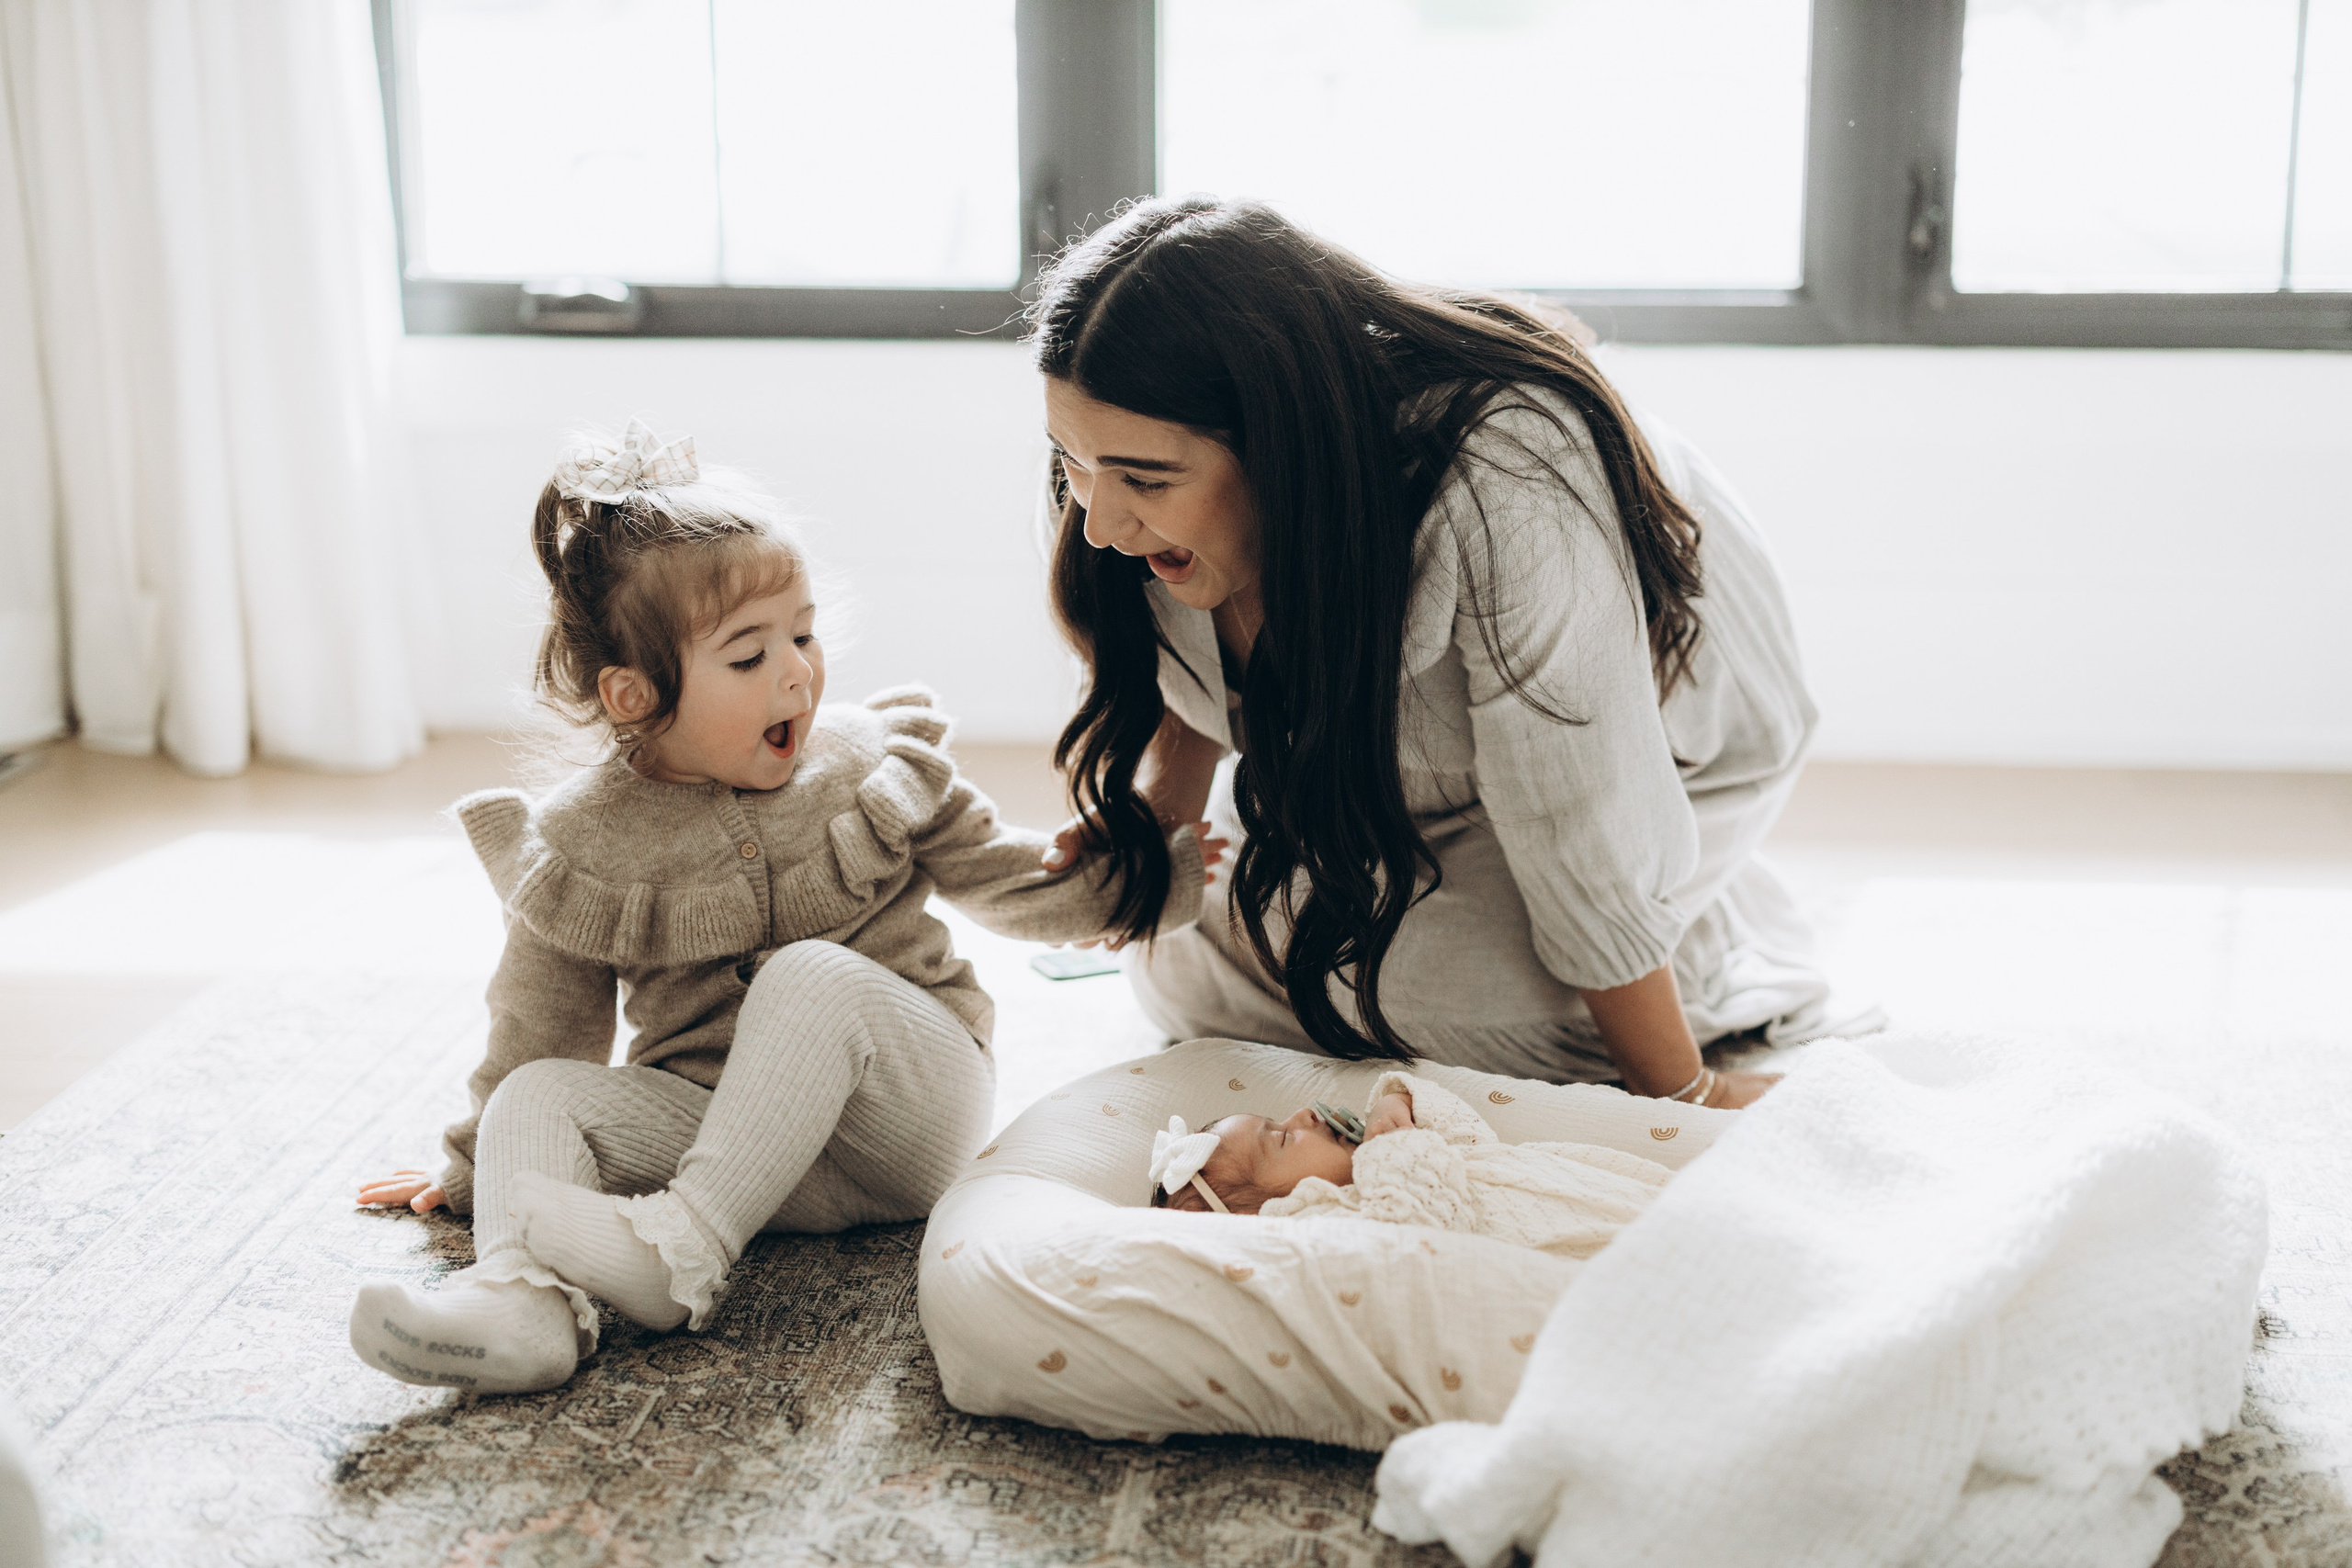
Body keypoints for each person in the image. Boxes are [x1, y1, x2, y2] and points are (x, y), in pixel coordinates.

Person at [349, 422, 1219, 1393]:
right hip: (731, 1141)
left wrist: (1154, 876)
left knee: (810, 973)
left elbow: (1008, 879)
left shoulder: (863, 760)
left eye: (802, 635)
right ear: (634, 695)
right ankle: (521, 1309)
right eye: (748, 655)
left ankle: (681, 1253)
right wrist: (475, 1172)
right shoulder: (583, 845)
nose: (798, 672)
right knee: (537, 1095)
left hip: (904, 1122)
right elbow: (538, 1030)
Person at [1035, 196, 1871, 1110]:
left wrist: (1680, 1096)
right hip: (1404, 766)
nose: (1101, 522)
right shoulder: (1115, 460)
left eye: (1143, 480)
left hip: (1650, 756)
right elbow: (1197, 667)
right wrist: (1161, 826)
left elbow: (1576, 810)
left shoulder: (1509, 468)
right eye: (1072, 464)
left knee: (1454, 1000)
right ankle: (1609, 920)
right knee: (1179, 965)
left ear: (1279, 442)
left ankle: (1705, 938)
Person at [1147, 1075, 1670, 1259]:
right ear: (1266, 1214)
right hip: (1575, 1244)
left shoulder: (1397, 1152)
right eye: (1282, 1138)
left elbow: (1468, 1136)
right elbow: (1426, 1240)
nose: (1304, 1114)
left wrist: (1394, 1104)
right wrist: (1393, 1152)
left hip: (1606, 1190)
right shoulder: (1328, 1224)